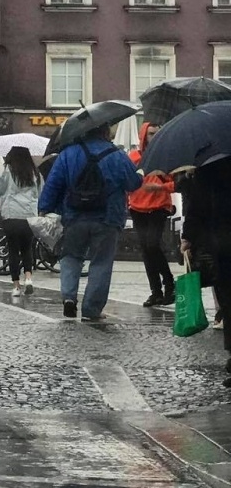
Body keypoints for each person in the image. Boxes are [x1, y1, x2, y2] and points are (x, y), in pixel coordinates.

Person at [38, 122, 142, 322]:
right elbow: (133, 183)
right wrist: (139, 173)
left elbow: (54, 183)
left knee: (71, 256)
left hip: (74, 216)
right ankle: (91, 309)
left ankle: (69, 297)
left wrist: (45, 207)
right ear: (105, 131)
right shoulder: (117, 154)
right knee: (101, 262)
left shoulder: (68, 154)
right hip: (108, 218)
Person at [176, 159, 231, 385]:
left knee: (228, 300)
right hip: (222, 244)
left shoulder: (210, 167)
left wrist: (188, 238)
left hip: (223, 244)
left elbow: (196, 208)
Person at [127, 122, 177, 308]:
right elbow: (127, 180)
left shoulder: (166, 157)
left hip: (159, 207)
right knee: (146, 250)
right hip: (137, 207)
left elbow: (177, 183)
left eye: (156, 133)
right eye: (150, 134)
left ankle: (169, 282)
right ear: (143, 136)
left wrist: (160, 187)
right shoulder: (134, 157)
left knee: (152, 244)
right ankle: (156, 291)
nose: (154, 137)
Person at [0, 146, 41, 298]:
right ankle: (28, 278)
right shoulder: (35, 173)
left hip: (11, 215)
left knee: (13, 250)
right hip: (29, 216)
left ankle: (16, 287)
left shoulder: (6, 172)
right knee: (27, 248)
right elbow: (41, 194)